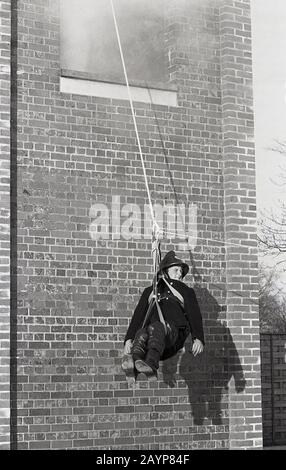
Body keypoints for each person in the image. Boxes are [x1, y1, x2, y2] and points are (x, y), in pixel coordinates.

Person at [122, 251, 205, 381]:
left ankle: (151, 364)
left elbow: (194, 314)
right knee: (142, 333)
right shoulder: (150, 291)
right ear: (164, 271)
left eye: (181, 272)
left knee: (157, 328)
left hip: (173, 334)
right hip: (153, 336)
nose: (180, 274)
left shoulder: (185, 290)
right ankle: (134, 364)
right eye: (176, 270)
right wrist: (129, 338)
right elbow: (138, 315)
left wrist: (198, 338)